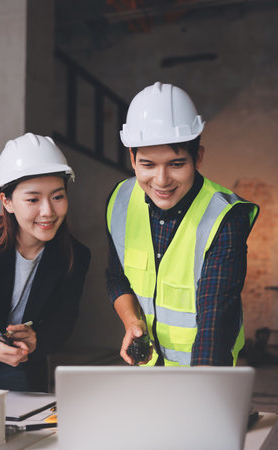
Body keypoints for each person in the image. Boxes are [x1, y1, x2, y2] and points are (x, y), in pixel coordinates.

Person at [106, 82, 259, 367]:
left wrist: (200, 395)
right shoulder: (121, 201)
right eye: (148, 164)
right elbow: (117, 277)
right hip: (148, 373)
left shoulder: (225, 217)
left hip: (204, 374)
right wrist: (131, 322)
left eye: (176, 164)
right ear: (132, 158)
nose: (162, 181)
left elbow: (215, 322)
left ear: (197, 157)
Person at [0, 132, 90, 391]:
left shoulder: (74, 256)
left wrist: (37, 339)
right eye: (32, 199)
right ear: (7, 201)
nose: (48, 211)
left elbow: (63, 323)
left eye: (57, 196)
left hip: (20, 365)